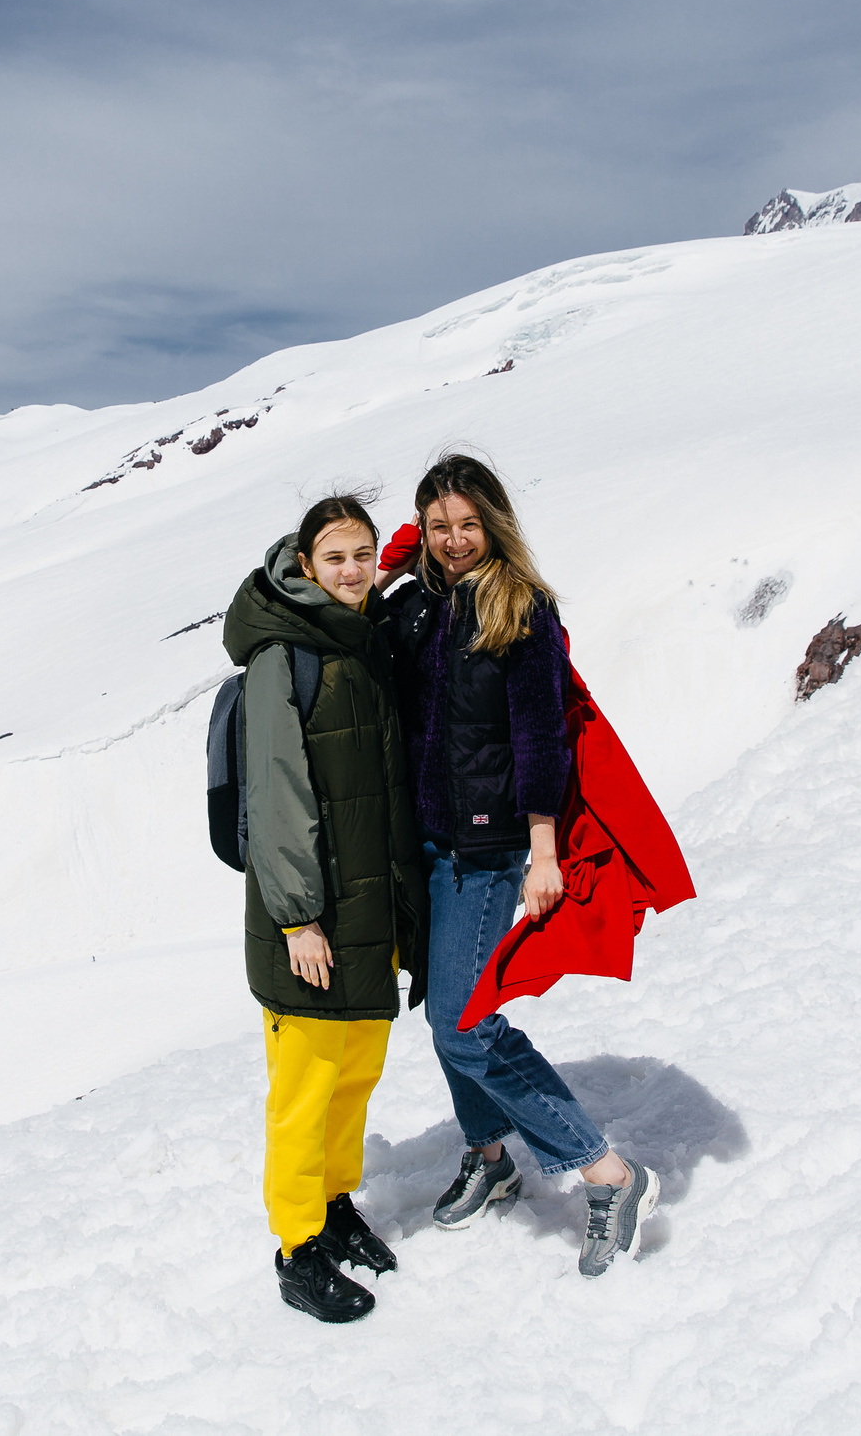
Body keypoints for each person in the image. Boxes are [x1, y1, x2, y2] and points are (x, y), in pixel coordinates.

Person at [381, 453, 661, 1278]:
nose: (456, 540)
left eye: (469, 524)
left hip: (494, 847)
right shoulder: (424, 606)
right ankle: (490, 1157)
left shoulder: (521, 608)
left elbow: (540, 737)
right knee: (444, 1014)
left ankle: (608, 1171)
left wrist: (543, 851)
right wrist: (397, 571)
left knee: (467, 1024)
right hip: (430, 843)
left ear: (493, 523)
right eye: (440, 528)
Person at [222, 492, 431, 1323]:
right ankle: (297, 1244)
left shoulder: (364, 639)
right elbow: (278, 794)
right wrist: (298, 917)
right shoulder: (285, 653)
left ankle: (336, 1202)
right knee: (304, 1087)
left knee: (354, 1074)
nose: (353, 570)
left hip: (368, 910)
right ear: (304, 562)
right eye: (336, 556)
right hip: (309, 920)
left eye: (364, 554)